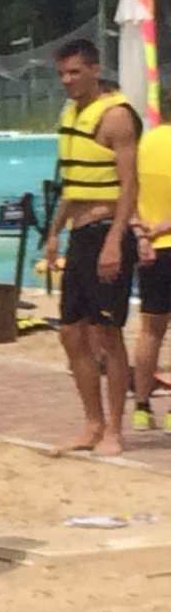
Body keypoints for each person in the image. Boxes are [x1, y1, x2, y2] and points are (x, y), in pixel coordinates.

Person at [43, 39, 142, 456]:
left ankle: (114, 430)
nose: (67, 80)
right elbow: (74, 183)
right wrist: (54, 231)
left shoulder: (116, 117)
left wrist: (116, 242)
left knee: (109, 333)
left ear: (95, 70)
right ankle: (91, 422)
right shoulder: (71, 114)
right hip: (80, 234)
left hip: (107, 232)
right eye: (63, 73)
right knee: (70, 333)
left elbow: (130, 185)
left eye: (75, 72)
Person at [131, 119, 171, 432]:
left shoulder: (143, 145)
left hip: (151, 250)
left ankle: (142, 408)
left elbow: (126, 194)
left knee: (150, 331)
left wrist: (143, 233)